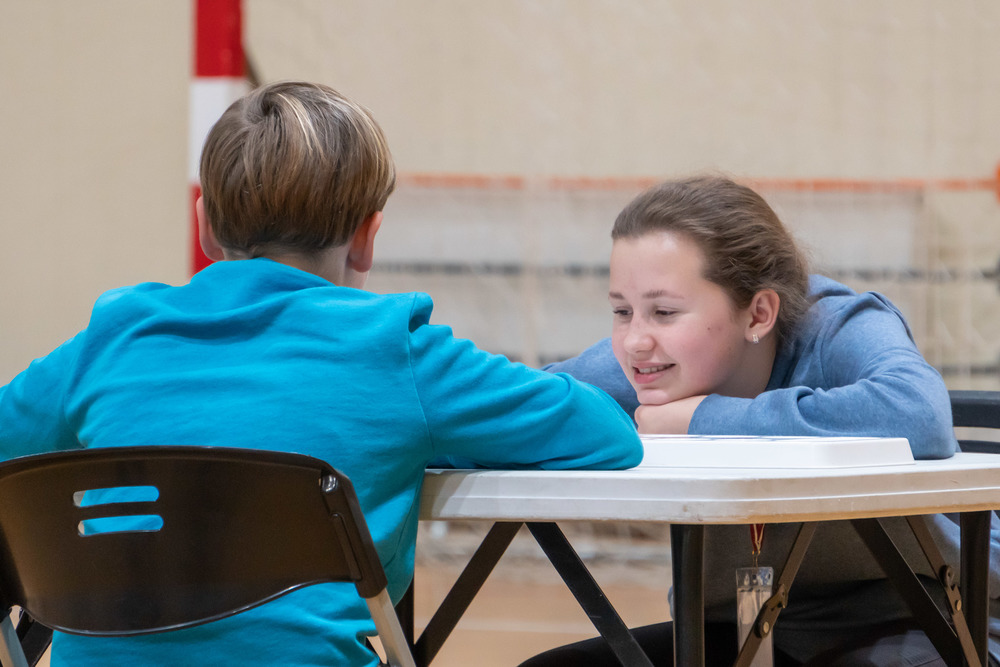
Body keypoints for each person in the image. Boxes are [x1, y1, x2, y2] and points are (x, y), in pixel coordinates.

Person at [0, 81, 643, 666]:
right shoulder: (391, 348)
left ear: (204, 227)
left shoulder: (112, 337)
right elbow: (605, 434)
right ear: (367, 237)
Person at [525, 175, 1000, 666]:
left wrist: (703, 418)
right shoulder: (644, 364)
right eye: (622, 311)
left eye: (664, 311)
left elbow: (921, 413)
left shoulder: (839, 326)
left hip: (931, 619)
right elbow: (520, 406)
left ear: (758, 315)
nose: (635, 341)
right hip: (751, 630)